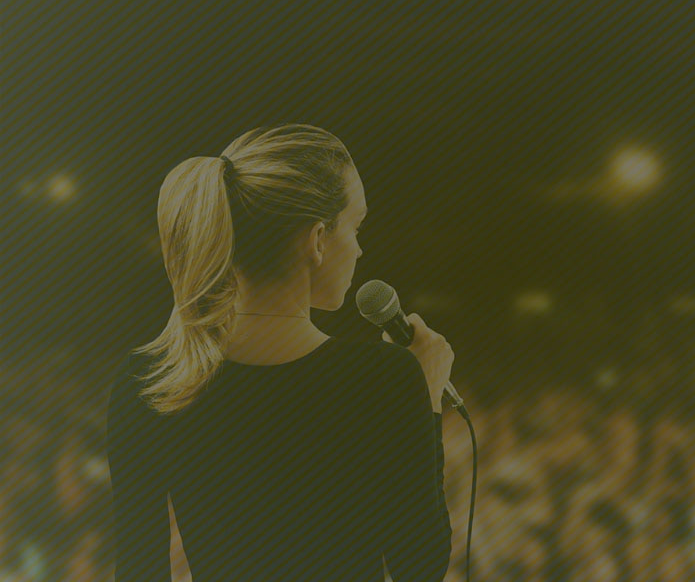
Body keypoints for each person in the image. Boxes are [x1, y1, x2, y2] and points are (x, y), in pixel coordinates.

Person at [105, 123, 453, 580]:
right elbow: (421, 567)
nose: (359, 249)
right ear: (317, 239)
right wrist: (426, 396)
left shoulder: (150, 379)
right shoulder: (384, 375)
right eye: (355, 227)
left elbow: (137, 571)